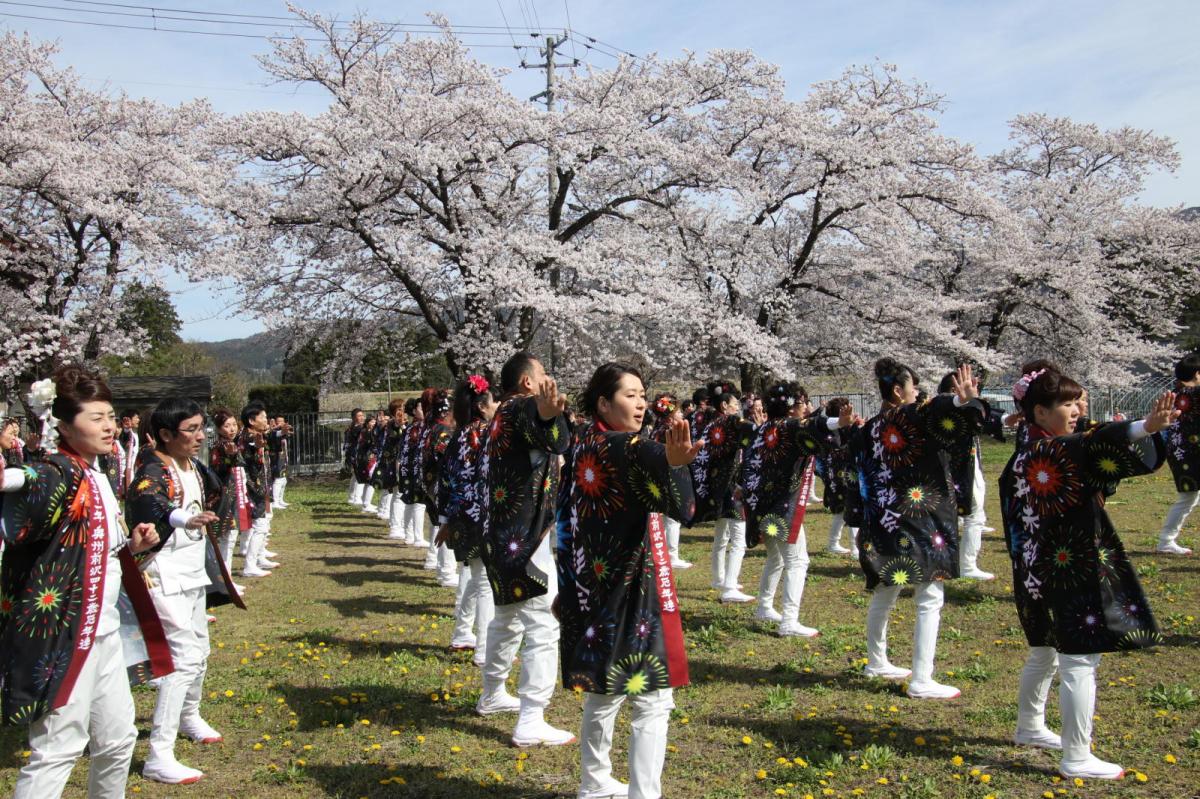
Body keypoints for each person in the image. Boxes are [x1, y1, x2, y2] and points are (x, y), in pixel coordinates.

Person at [1000, 364, 1176, 779]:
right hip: (1066, 568)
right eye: (1066, 403)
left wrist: (1140, 429)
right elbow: (1094, 445)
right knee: (1080, 658)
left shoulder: (1026, 449)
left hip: (1033, 570)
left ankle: (1029, 726)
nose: (1076, 409)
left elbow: (1091, 444)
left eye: (1077, 401)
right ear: (1039, 412)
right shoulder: (1052, 450)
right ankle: (1076, 755)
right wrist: (1144, 427)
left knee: (1043, 652)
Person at [1, 366, 169, 799]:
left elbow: (91, 552)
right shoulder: (58, 472)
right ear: (62, 422)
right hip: (64, 636)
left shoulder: (99, 474)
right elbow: (32, 487)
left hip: (105, 633)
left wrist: (133, 548)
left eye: (110, 415)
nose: (109, 426)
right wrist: (14, 477)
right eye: (95, 418)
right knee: (58, 748)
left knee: (118, 740)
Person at [558, 363, 702, 799]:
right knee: (652, 699)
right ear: (604, 402)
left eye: (643, 395)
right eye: (629, 395)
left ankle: (594, 783)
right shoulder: (627, 445)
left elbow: (564, 515)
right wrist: (675, 465)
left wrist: (568, 584)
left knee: (604, 691)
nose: (640, 403)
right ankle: (644, 793)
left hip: (592, 582)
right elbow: (684, 507)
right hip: (629, 588)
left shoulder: (584, 440)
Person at [854, 360, 985, 699]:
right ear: (898, 390)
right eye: (912, 385)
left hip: (882, 517)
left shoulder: (871, 425)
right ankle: (922, 678)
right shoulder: (910, 414)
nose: (916, 391)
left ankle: (876, 661)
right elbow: (938, 411)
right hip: (917, 517)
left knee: (887, 588)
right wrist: (961, 401)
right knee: (929, 593)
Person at [126, 398, 237, 784]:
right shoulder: (153, 463)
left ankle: (189, 714)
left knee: (200, 650)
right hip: (163, 573)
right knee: (181, 658)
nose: (199, 435)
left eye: (200, 427)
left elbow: (213, 490)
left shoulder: (193, 464)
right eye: (190, 430)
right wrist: (181, 517)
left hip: (191, 573)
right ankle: (160, 751)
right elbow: (146, 496)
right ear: (165, 435)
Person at [477, 351, 575, 747]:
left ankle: (493, 693)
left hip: (501, 536)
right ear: (527, 383)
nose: (550, 380)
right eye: (544, 375)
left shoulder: (502, 414)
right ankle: (531, 718)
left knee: (508, 620)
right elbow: (555, 438)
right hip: (522, 539)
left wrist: (551, 419)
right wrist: (550, 417)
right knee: (543, 623)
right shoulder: (519, 408)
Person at [741, 382, 856, 636]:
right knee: (797, 560)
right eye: (802, 403)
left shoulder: (764, 429)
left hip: (761, 504)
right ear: (791, 408)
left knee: (777, 558)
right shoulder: (788, 427)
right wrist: (839, 423)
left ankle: (764, 605)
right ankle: (789, 621)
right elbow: (812, 427)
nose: (805, 408)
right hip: (779, 506)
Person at [436, 376, 499, 665]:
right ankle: (486, 650)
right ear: (483, 407)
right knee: (484, 582)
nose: (498, 406)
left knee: (474, 577)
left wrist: (445, 518)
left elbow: (445, 480)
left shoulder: (457, 437)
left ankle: (464, 633)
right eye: (494, 402)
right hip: (485, 516)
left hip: (461, 516)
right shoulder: (491, 434)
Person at [689, 382, 761, 601]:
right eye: (734, 404)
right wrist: (760, 426)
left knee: (721, 536)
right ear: (724, 405)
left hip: (717, 485)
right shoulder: (730, 422)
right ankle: (729, 586)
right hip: (730, 487)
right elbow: (751, 431)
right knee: (738, 536)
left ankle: (719, 577)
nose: (737, 407)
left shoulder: (711, 425)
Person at [936, 371, 1006, 581]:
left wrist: (1009, 418)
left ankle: (956, 562)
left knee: (969, 515)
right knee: (973, 515)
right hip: (959, 470)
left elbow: (989, 418)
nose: (975, 390)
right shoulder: (944, 408)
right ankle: (966, 564)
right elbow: (981, 417)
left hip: (964, 467)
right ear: (954, 389)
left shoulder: (959, 408)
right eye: (971, 385)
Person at [1158, 352, 1199, 555]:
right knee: (1188, 497)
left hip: (1179, 453)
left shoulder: (1175, 393)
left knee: (1189, 497)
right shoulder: (1195, 393)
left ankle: (1167, 540)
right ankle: (1166, 541)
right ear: (1197, 374)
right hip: (1191, 454)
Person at [649, 394, 691, 571]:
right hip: (669, 476)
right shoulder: (671, 431)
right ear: (672, 413)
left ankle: (659, 552)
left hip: (656, 476)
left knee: (662, 517)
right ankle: (671, 554)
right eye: (679, 411)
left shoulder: (656, 429)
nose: (682, 414)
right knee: (673, 518)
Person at [419, 390, 457, 584]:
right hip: (441, 484)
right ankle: (446, 572)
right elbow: (448, 461)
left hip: (431, 483)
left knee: (440, 524)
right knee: (445, 524)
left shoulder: (431, 428)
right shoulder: (444, 432)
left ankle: (440, 565)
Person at [817, 397, 861, 557]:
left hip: (835, 473)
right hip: (841, 474)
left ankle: (833, 543)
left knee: (841, 511)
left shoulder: (834, 428)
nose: (852, 413)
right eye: (848, 410)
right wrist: (856, 427)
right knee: (851, 507)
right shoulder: (835, 428)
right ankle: (855, 548)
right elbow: (847, 446)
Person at [237, 403, 276, 578]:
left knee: (263, 522)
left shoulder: (255, 435)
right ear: (252, 421)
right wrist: (257, 446)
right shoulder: (248, 438)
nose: (266, 420)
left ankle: (259, 557)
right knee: (259, 525)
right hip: (254, 488)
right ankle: (250, 565)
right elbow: (251, 453)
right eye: (263, 417)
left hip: (261, 486)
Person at [399, 398, 429, 547]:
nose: (424, 410)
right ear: (414, 411)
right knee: (418, 503)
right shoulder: (417, 428)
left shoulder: (411, 427)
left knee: (411, 502)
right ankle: (417, 537)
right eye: (421, 408)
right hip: (414, 469)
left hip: (408, 468)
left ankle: (409, 535)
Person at [375, 398, 407, 531]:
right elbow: (395, 435)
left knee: (398, 494)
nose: (403, 412)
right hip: (393, 463)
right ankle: (395, 526)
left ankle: (397, 523)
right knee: (397, 493)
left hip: (398, 461)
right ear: (395, 411)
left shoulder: (400, 423)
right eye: (400, 409)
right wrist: (400, 426)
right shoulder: (392, 424)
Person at [265, 415, 292, 510]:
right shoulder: (273, 432)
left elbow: (287, 435)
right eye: (278, 422)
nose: (280, 423)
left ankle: (280, 499)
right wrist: (277, 429)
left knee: (284, 479)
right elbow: (274, 435)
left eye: (282, 422)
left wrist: (286, 431)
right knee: (278, 479)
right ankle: (275, 502)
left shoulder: (283, 433)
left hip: (283, 457)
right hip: (275, 458)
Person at [344, 408, 365, 505]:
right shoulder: (357, 428)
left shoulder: (352, 428)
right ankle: (357, 498)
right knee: (360, 476)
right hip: (356, 455)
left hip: (352, 454)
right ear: (354, 418)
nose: (362, 417)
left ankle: (351, 497)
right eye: (359, 416)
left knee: (355, 477)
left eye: (362, 415)